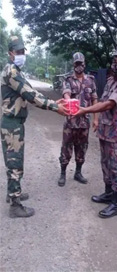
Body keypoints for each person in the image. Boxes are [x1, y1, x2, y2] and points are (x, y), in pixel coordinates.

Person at [1, 36, 69, 218]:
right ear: (10, 53)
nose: (22, 54)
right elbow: (30, 95)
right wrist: (56, 107)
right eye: (18, 52)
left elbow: (33, 91)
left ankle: (12, 193)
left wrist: (54, 101)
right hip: (12, 124)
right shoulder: (12, 72)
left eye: (23, 51)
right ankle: (15, 206)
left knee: (13, 161)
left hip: (14, 123)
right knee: (15, 164)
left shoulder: (16, 70)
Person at [75, 47, 117, 218]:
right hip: (105, 130)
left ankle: (116, 204)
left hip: (116, 134)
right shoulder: (110, 80)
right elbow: (101, 100)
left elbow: (109, 104)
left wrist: (84, 110)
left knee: (116, 167)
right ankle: (108, 194)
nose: (116, 64)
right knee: (105, 164)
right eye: (114, 60)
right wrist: (96, 119)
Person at [57, 52, 98, 186]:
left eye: (81, 63)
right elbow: (66, 94)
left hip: (84, 122)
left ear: (84, 63)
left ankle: (78, 173)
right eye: (76, 64)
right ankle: (63, 173)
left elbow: (94, 100)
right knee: (66, 148)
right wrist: (70, 101)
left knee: (82, 148)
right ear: (73, 64)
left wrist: (96, 119)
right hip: (70, 122)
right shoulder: (68, 80)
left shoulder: (90, 80)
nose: (79, 66)